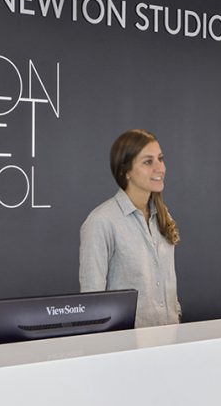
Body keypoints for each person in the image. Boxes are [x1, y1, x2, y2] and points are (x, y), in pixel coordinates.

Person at [78, 129, 181, 327]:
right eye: (148, 162)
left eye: (160, 159)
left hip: (169, 343)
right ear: (126, 171)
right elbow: (91, 302)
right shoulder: (101, 221)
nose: (160, 168)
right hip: (125, 349)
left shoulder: (163, 215)